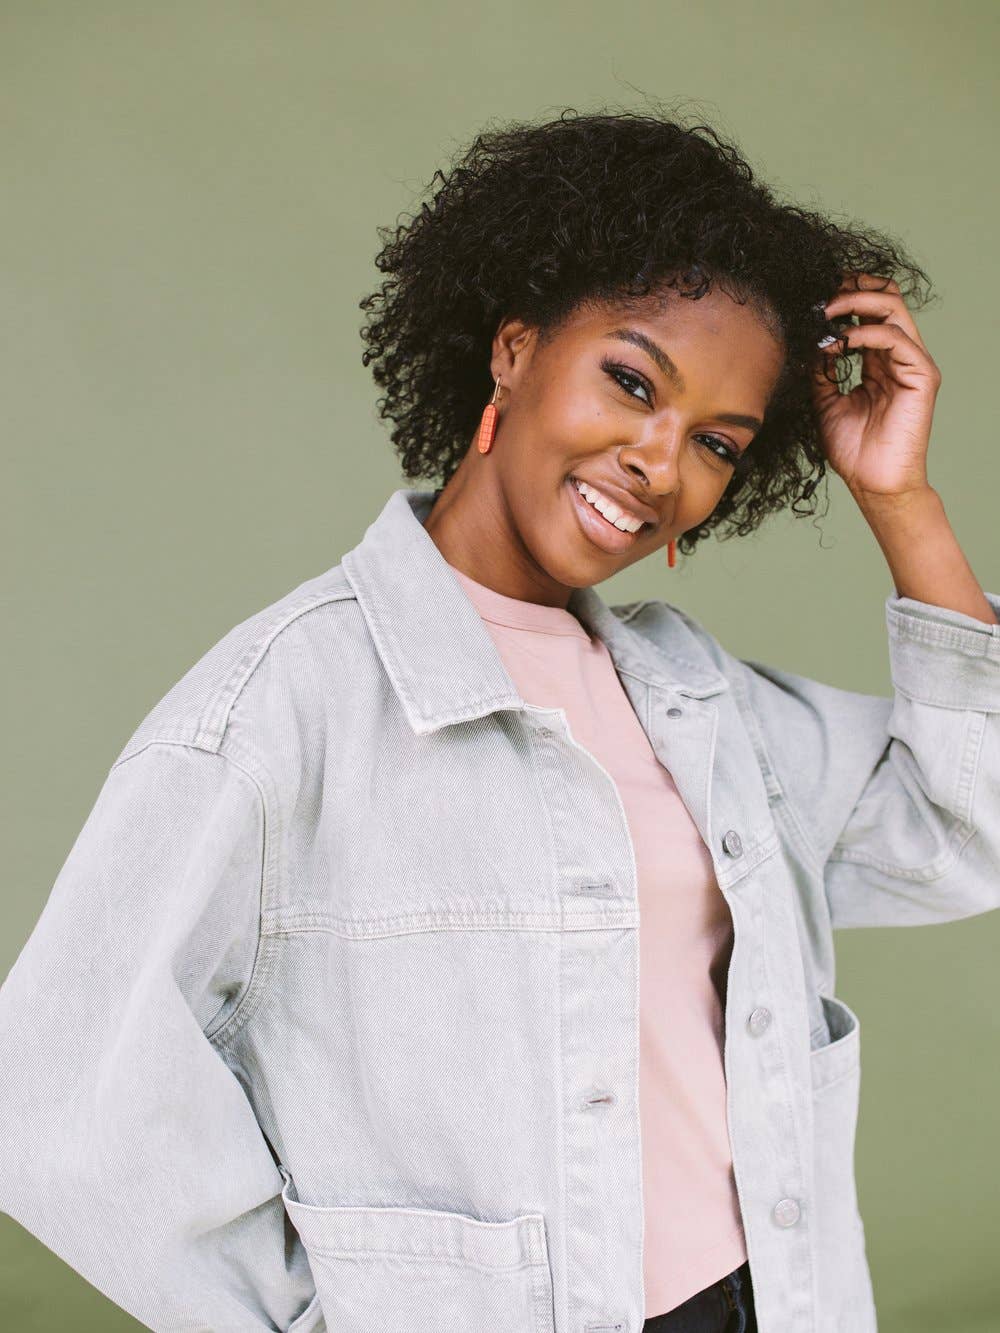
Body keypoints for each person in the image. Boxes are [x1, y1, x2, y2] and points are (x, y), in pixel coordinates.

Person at [2, 104, 998, 1333]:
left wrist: (899, 500)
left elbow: (966, 827)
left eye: (716, 444)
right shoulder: (283, 707)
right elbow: (60, 1094)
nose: (656, 459)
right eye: (631, 380)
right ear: (515, 348)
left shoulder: (694, 699)